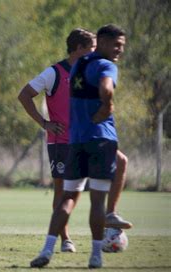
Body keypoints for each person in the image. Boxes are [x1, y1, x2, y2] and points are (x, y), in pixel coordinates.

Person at [18, 29, 132, 253]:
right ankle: (65, 239)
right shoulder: (55, 72)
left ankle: (111, 214)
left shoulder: (92, 69)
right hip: (62, 141)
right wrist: (44, 123)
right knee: (63, 193)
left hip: (90, 138)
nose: (94, 51)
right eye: (91, 47)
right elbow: (24, 95)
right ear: (79, 49)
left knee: (121, 162)